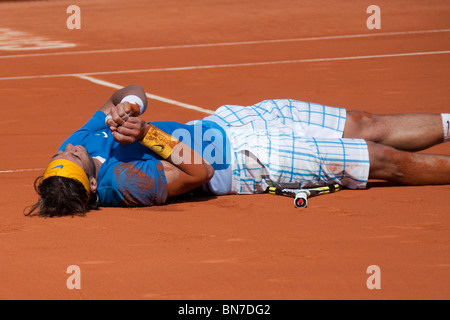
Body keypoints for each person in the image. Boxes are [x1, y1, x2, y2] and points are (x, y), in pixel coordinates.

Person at [25, 84, 450, 217]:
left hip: (234, 121)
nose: (69, 149)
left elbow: (131, 91)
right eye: (73, 159)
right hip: (252, 163)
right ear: (92, 183)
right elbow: (200, 173)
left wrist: (130, 106)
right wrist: (147, 134)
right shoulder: (124, 184)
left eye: (60, 156)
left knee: (362, 122)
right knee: (379, 159)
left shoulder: (74, 142)